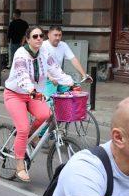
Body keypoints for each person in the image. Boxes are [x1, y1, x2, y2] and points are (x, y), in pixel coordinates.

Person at [4, 25, 76, 182]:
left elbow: (56, 70)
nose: (38, 39)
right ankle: (19, 166)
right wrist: (31, 89)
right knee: (22, 128)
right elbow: (22, 75)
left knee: (46, 115)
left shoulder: (45, 52)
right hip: (15, 94)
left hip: (33, 95)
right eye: (35, 36)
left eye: (41, 36)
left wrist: (71, 83)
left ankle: (31, 135)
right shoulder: (21, 54)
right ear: (28, 39)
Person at [41, 26, 88, 97]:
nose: (57, 38)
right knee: (49, 100)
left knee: (72, 93)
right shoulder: (42, 45)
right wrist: (50, 77)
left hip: (59, 76)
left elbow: (73, 59)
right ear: (48, 35)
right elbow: (39, 64)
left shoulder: (63, 45)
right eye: (55, 35)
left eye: (59, 35)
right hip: (46, 78)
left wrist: (84, 75)